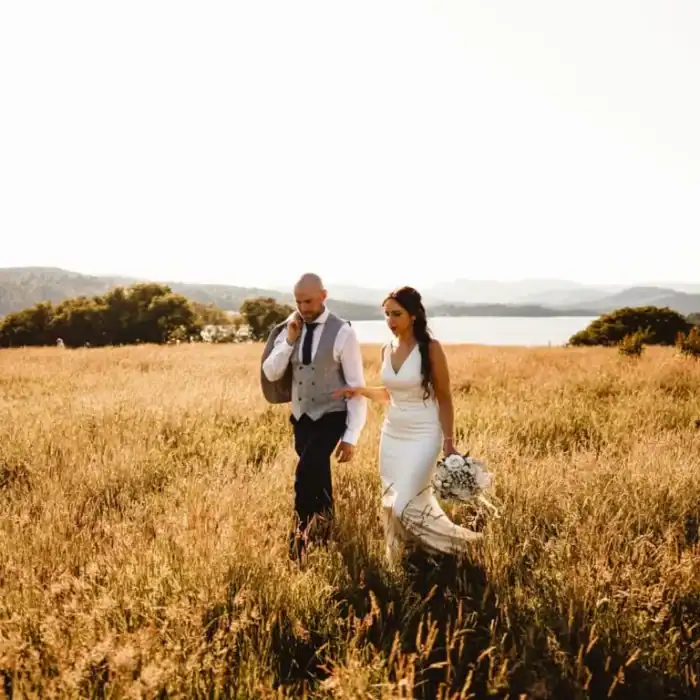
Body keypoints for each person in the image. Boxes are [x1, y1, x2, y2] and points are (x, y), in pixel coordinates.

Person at [333, 286, 482, 563]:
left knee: (405, 505)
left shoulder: (430, 349)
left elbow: (445, 397)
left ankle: (466, 548)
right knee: (391, 502)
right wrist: (360, 390)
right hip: (392, 435)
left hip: (425, 434)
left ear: (413, 315)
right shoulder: (385, 349)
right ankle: (407, 555)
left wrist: (449, 443)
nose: (390, 320)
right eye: (387, 314)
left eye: (397, 314)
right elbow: (390, 394)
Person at [261, 273, 367, 559]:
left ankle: (299, 539)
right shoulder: (289, 328)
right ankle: (327, 527)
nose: (303, 307)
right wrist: (290, 341)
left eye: (308, 301)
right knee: (318, 473)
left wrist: (351, 437)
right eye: (298, 301)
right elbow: (271, 372)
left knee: (305, 472)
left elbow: (356, 387)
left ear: (324, 295)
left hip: (332, 415)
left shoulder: (343, 332)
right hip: (301, 417)